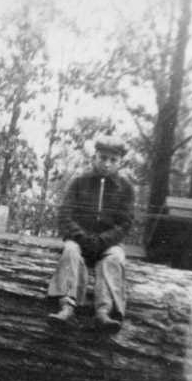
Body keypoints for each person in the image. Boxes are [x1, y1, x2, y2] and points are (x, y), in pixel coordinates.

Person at [47, 135, 135, 333]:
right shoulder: (79, 182)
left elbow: (125, 223)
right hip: (80, 240)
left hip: (107, 243)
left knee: (115, 258)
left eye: (113, 160)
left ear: (120, 163)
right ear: (94, 157)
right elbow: (65, 215)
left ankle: (104, 311)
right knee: (70, 251)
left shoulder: (126, 188)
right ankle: (67, 306)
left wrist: (103, 240)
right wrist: (82, 237)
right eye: (102, 158)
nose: (106, 164)